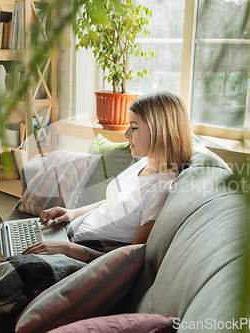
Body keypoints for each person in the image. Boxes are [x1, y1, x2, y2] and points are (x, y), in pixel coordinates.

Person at [22, 91, 193, 262]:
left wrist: (66, 249)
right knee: (10, 242)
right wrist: (72, 213)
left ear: (159, 131)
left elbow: (132, 260)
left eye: (134, 127)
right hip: (70, 231)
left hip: (82, 252)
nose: (126, 134)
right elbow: (115, 203)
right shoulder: (144, 163)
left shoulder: (161, 189)